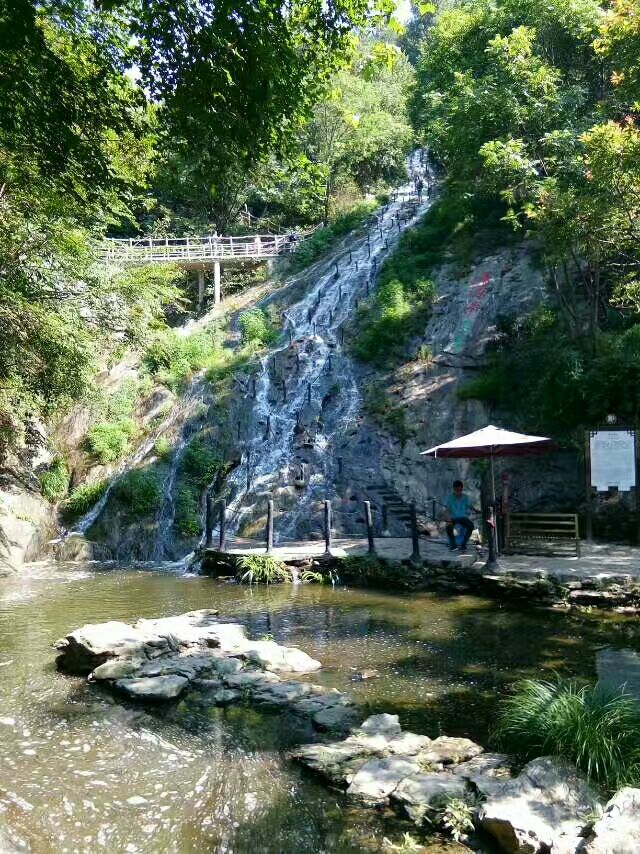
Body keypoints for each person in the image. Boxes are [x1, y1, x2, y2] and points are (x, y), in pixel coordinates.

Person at [444, 479, 474, 552]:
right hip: (453, 518)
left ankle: (463, 545)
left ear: (462, 489)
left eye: (460, 490)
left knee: (471, 526)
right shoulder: (450, 497)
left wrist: (477, 511)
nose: (458, 492)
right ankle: (453, 545)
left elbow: (470, 506)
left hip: (463, 518)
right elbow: (446, 510)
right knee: (448, 527)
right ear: (454, 489)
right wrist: (448, 519)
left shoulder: (465, 497)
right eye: (456, 490)